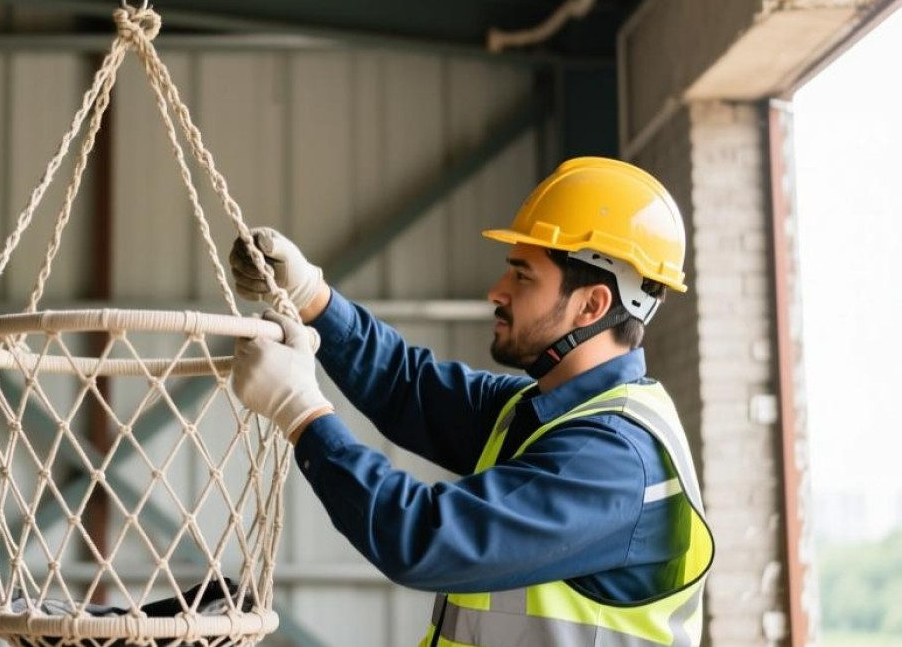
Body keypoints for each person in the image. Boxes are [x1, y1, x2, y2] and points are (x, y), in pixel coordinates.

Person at [228, 157, 714, 647]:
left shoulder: (610, 459)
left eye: (522, 277)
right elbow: (406, 385)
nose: (496, 292)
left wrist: (301, 411)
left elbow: (423, 539)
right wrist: (314, 298)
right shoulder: (541, 413)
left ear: (592, 305)